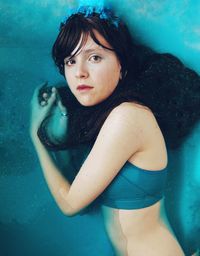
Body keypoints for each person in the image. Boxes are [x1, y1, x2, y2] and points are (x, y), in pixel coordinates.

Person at [29, 5, 200, 256]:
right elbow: (83, 195)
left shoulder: (128, 118)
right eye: (71, 60)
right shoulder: (113, 119)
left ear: (121, 65)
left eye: (94, 57)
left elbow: (70, 204)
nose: (80, 72)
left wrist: (36, 134)